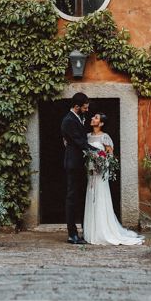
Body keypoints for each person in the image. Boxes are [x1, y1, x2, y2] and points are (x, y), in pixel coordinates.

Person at [83, 112, 144, 245]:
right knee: (91, 197)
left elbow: (110, 156)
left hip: (100, 174)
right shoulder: (87, 136)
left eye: (96, 118)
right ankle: (91, 232)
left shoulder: (105, 137)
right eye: (93, 117)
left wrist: (101, 163)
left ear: (101, 123)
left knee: (100, 199)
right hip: (91, 173)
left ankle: (102, 231)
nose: (93, 118)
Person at [61, 92, 98, 245]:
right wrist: (98, 152)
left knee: (80, 197)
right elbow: (79, 142)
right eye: (84, 107)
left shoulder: (78, 118)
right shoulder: (68, 121)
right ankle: (72, 234)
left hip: (80, 163)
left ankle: (84, 229)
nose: (87, 110)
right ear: (76, 107)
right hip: (73, 163)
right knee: (72, 198)